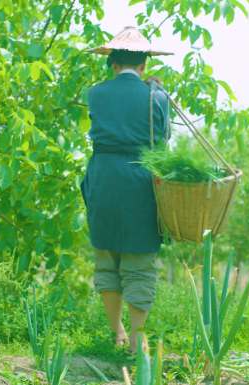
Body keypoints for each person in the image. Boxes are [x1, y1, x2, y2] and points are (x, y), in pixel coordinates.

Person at [82, 27, 172, 352]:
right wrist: (157, 94)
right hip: (140, 180)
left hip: (103, 177)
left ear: (113, 62)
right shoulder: (156, 95)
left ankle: (115, 331)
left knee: (106, 255)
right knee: (139, 258)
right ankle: (137, 337)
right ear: (145, 63)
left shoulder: (96, 93)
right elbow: (161, 143)